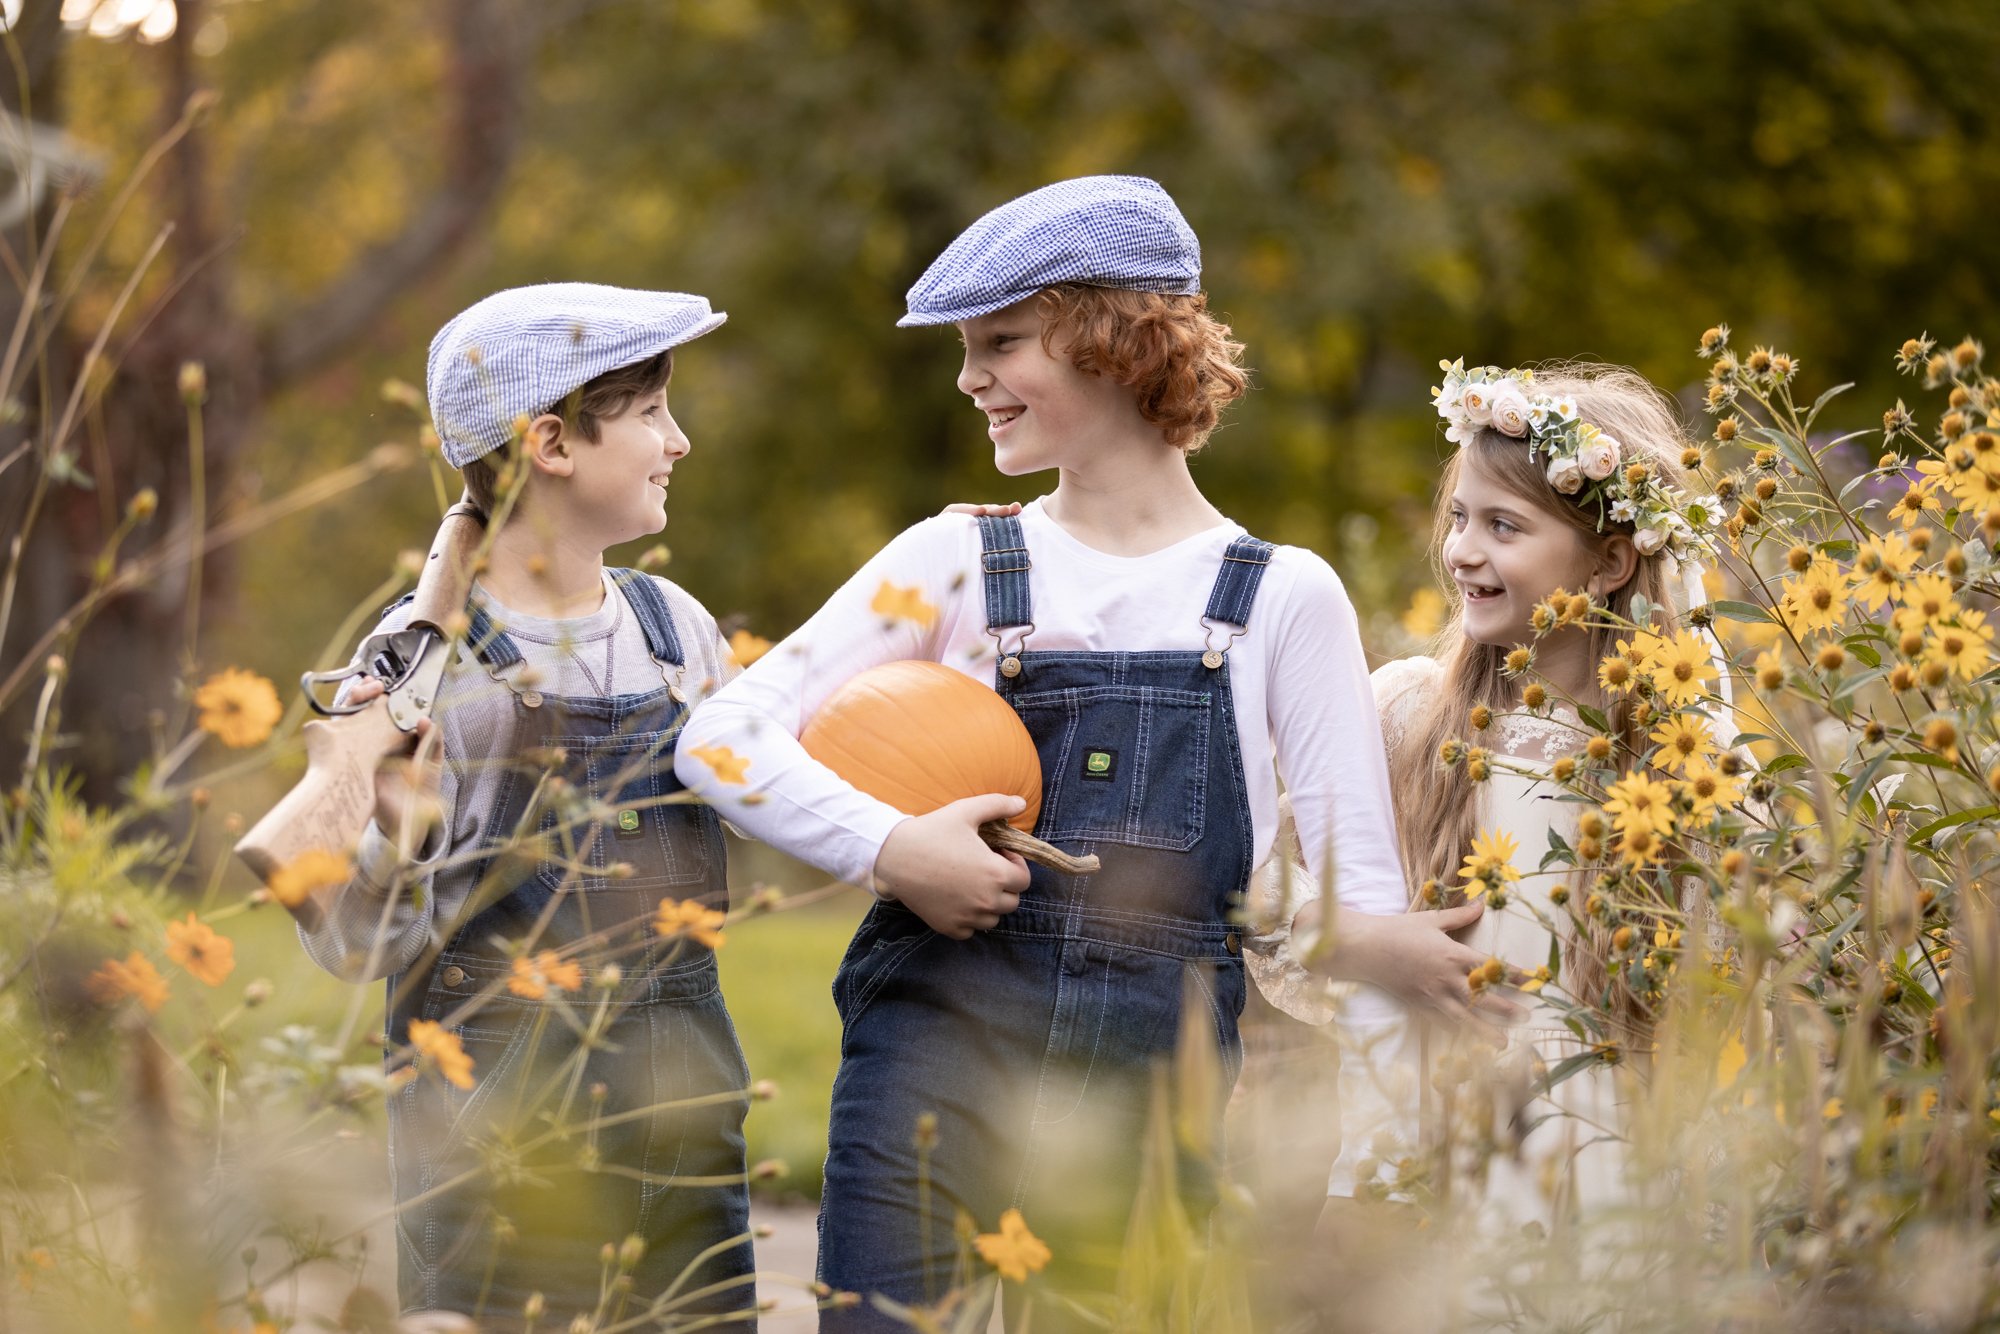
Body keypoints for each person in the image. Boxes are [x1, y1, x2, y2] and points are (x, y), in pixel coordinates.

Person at [674, 176, 1499, 1327]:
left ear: (1112, 342)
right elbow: (720, 737)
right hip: (931, 1055)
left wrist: (1368, 1170)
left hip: (1154, 1093)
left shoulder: (1278, 597)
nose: (967, 379)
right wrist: (892, 846)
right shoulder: (954, 562)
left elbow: (1354, 904)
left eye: (999, 343)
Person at [298, 283, 755, 1329]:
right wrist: (385, 823)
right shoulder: (420, 659)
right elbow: (353, 948)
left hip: (681, 1112)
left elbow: (771, 795)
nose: (678, 440)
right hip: (494, 1137)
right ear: (551, 440)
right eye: (649, 414)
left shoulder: (669, 626)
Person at [1251, 359, 1725, 1237]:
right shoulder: (1405, 718)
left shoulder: (1678, 775)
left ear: (1611, 561)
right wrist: (1364, 944)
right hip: (1420, 1170)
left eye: (1505, 526)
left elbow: (1729, 994)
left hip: (1609, 1183)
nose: (1464, 548)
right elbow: (1259, 889)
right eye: (1461, 517)